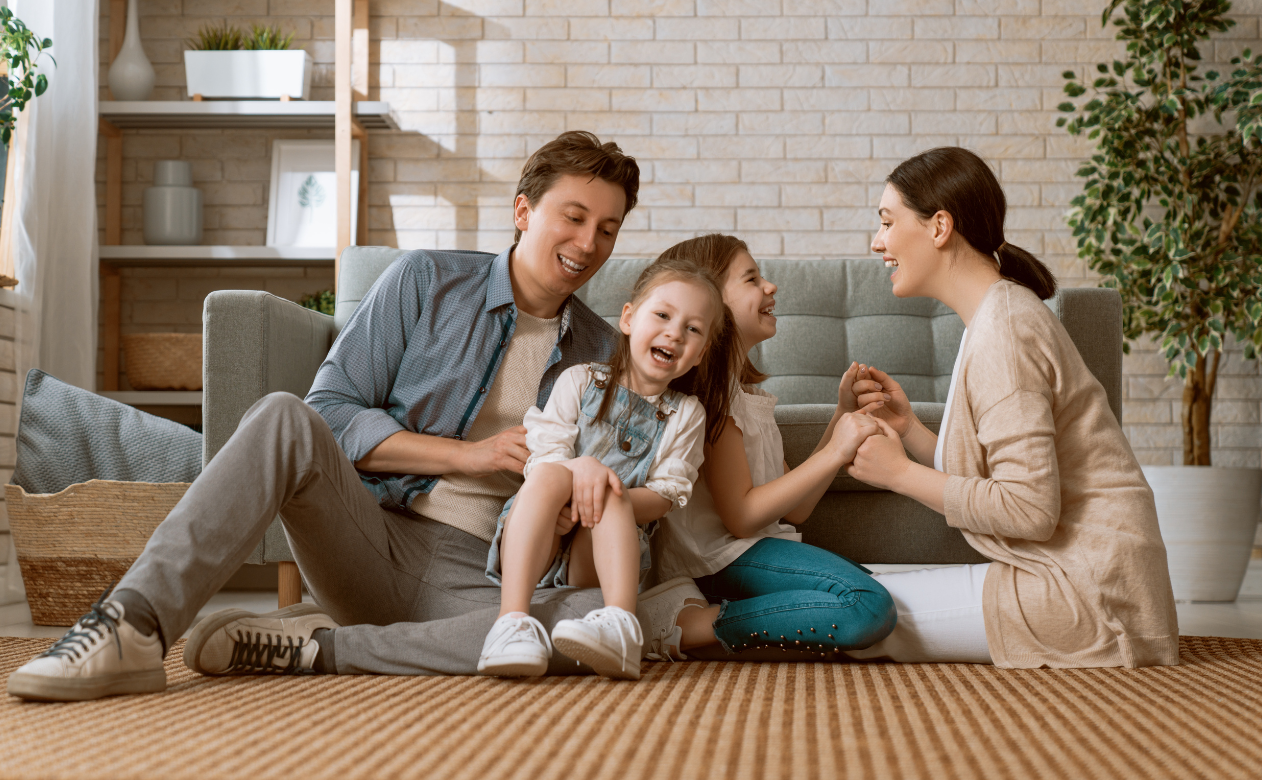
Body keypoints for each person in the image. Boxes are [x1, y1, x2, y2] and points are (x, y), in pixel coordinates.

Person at [6, 131, 692, 703]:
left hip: (486, 583)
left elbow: (621, 492)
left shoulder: (611, 350)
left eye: (607, 228)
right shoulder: (424, 281)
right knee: (283, 417)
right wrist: (462, 456)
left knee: (603, 623)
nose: (589, 242)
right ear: (523, 210)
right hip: (373, 537)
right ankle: (131, 626)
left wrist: (581, 501)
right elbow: (328, 413)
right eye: (573, 216)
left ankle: (314, 647)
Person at [839, 146, 1178, 668]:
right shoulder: (998, 314)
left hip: (1089, 593)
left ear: (939, 227)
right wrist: (910, 430)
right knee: (856, 591)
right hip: (1079, 576)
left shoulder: (1005, 330)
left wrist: (900, 474)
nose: (877, 241)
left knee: (846, 611)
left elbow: (1029, 509)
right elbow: (1007, 477)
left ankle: (690, 627)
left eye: (887, 222)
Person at [634, 234, 898, 662]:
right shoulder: (711, 399)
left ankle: (710, 627)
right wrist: (836, 451)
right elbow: (742, 517)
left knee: (873, 596)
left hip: (746, 553)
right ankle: (686, 627)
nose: (770, 287)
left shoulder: (743, 397)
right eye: (752, 278)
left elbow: (795, 510)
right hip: (718, 562)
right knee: (865, 604)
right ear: (710, 302)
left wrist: (840, 417)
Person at [478, 256, 736, 680]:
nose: (675, 332)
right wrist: (582, 473)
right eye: (663, 315)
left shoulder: (685, 413)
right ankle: (512, 624)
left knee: (613, 491)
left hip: (599, 556)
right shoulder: (579, 381)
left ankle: (619, 627)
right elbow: (544, 457)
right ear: (629, 319)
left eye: (693, 329)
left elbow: (665, 497)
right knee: (551, 474)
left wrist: (598, 494)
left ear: (700, 353)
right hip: (538, 538)